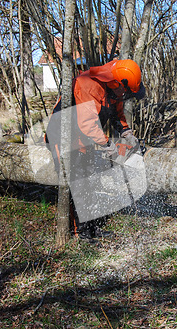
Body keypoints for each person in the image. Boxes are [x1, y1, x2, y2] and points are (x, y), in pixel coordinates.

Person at [45, 59, 145, 239]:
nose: (125, 95)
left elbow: (117, 114)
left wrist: (126, 133)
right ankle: (80, 232)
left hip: (84, 139)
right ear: (118, 83)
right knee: (76, 183)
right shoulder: (88, 85)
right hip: (64, 137)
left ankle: (92, 227)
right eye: (126, 91)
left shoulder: (114, 90)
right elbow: (87, 124)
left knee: (90, 183)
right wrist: (108, 145)